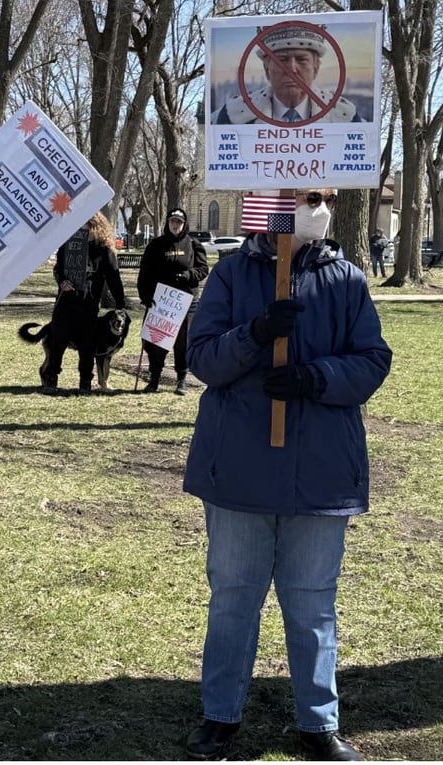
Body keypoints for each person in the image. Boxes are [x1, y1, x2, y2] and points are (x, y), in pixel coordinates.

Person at [182, 188, 392, 761]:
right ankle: (219, 715)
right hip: (240, 469)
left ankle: (318, 721)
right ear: (273, 204)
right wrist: (254, 335)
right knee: (233, 597)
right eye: (305, 196)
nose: (318, 206)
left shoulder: (347, 279)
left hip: (321, 475)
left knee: (312, 601)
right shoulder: (231, 275)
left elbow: (373, 360)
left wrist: (314, 379)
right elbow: (201, 358)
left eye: (323, 195)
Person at [42, 211, 126, 393]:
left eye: (86, 226)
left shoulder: (104, 249)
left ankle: (85, 381)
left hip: (89, 301)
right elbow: (58, 269)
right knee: (59, 340)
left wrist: (120, 301)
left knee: (87, 344)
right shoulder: (69, 244)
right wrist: (62, 281)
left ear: (95, 226)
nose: (82, 229)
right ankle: (51, 377)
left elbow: (113, 277)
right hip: (66, 301)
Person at [211, 24, 363, 124]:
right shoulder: (230, 116)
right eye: (281, 60)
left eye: (302, 60)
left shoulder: (346, 118)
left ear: (316, 68)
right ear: (266, 69)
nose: (291, 69)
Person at [136, 207, 208, 394]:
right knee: (156, 341)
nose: (175, 225)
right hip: (161, 302)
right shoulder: (156, 245)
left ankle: (181, 379)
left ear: (184, 225)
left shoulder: (193, 244)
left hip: (185, 302)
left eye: (179, 222)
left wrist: (188, 275)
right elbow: (145, 274)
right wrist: (145, 296)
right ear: (167, 223)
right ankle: (154, 378)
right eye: (172, 222)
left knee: (183, 342)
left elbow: (203, 269)